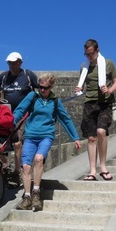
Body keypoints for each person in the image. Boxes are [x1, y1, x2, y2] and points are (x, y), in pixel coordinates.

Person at [13, 73, 81, 211]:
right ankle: (27, 197)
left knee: (39, 159)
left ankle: (36, 194)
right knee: (25, 166)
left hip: (46, 136)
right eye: (40, 86)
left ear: (51, 87)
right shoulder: (32, 96)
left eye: (45, 87)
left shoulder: (55, 101)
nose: (42, 90)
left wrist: (75, 137)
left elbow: (65, 119)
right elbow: (20, 111)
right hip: (30, 136)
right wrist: (10, 122)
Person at [76, 39, 116, 181]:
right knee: (91, 137)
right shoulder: (84, 67)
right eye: (86, 54)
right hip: (90, 103)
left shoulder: (108, 63)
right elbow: (82, 84)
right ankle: (92, 171)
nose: (88, 56)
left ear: (97, 50)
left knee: (101, 132)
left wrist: (110, 90)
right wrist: (79, 88)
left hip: (105, 103)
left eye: (91, 53)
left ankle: (103, 167)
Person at [0, 52, 39, 185]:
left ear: (20, 63)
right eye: (9, 63)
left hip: (23, 114)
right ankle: (6, 166)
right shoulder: (4, 76)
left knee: (17, 142)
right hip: (5, 114)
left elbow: (40, 89)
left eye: (14, 63)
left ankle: (17, 171)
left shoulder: (28, 75)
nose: (11, 65)